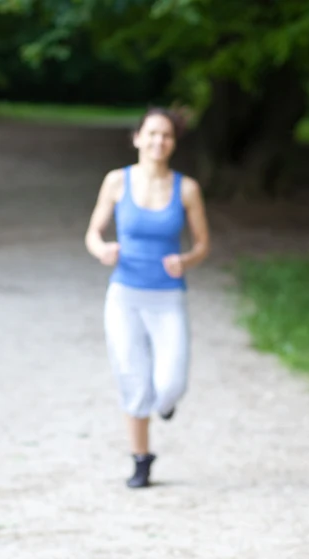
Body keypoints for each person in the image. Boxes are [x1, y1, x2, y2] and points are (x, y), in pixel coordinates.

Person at [84, 107, 210, 489]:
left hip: (168, 298)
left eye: (167, 135)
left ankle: (166, 405)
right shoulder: (116, 182)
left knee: (170, 384)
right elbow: (92, 233)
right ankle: (141, 459)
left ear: (174, 143)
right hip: (124, 296)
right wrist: (102, 249)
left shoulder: (186, 189)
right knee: (132, 378)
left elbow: (203, 244)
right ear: (137, 137)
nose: (159, 141)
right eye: (152, 133)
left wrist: (185, 260)